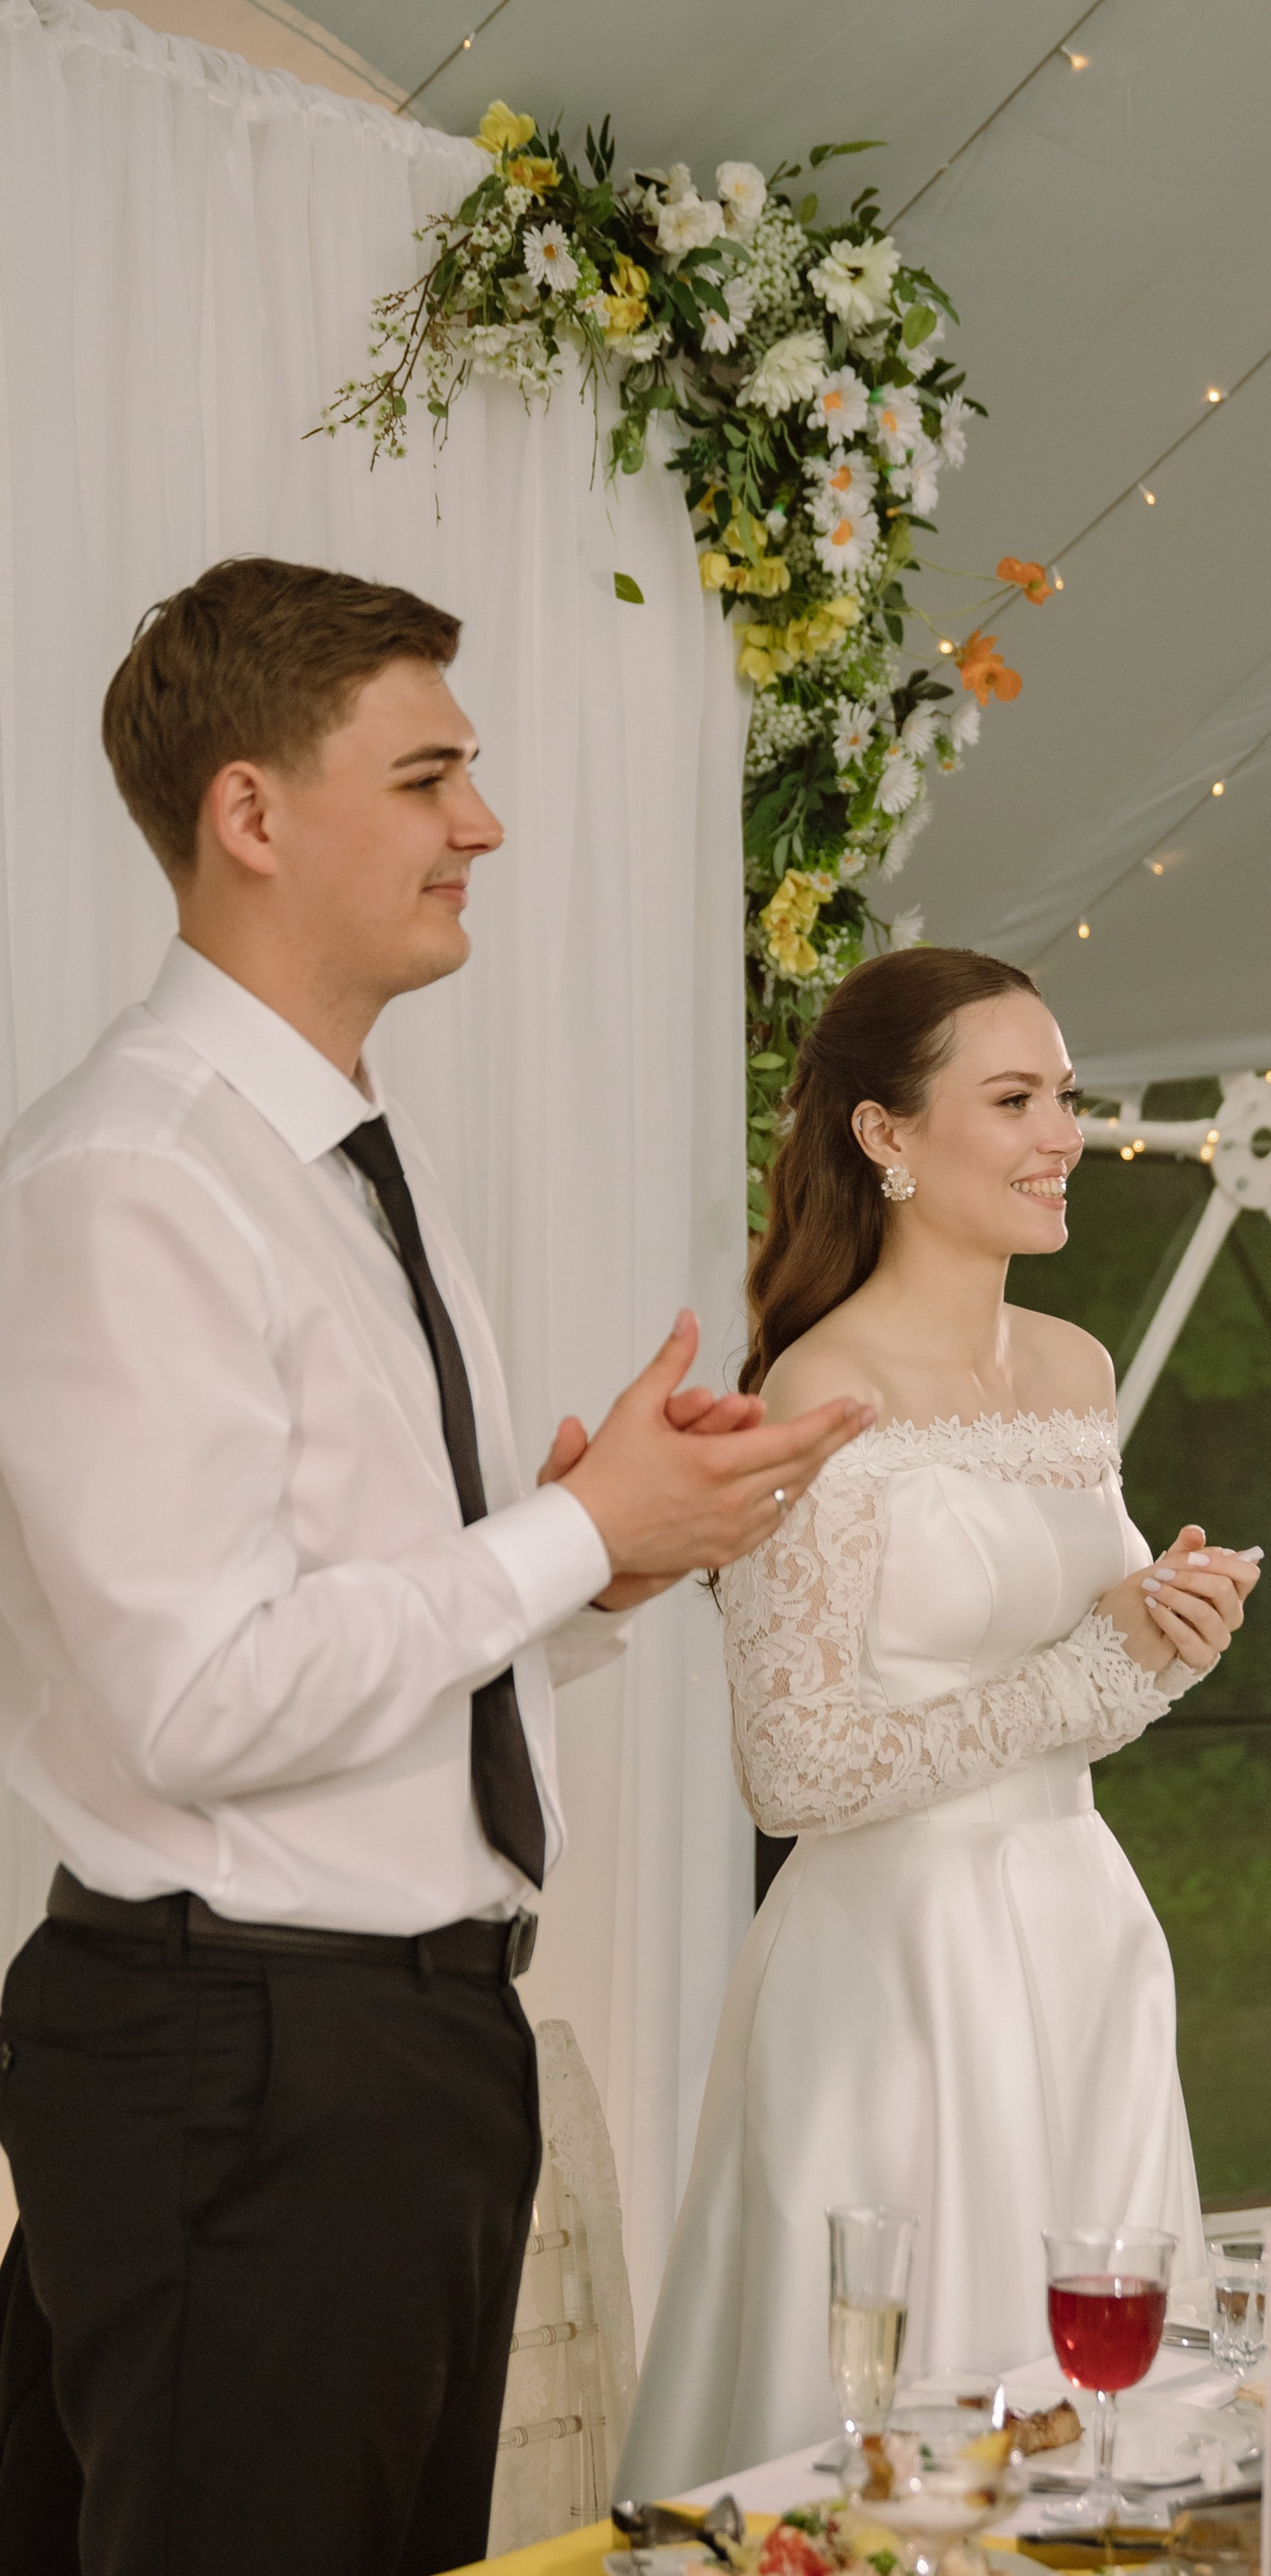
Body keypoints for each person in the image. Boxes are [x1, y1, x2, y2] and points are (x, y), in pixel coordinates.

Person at [0, 557, 870, 2576]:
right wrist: (569, 1531)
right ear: (249, 812)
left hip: (384, 2064)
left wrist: (601, 1567)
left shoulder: (333, 1158)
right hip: (253, 2066)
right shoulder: (135, 1178)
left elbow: (354, 1618)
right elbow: (199, 1699)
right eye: (427, 776)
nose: (481, 824)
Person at [618, 947, 1262, 2493]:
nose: (1063, 1137)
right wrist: (1091, 1670)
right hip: (895, 1975)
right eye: (1016, 1099)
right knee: (893, 2438)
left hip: (1082, 1938)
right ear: (886, 1134)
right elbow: (792, 1771)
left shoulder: (1075, 1368)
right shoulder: (817, 1393)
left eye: (1068, 1098)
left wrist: (1165, 1639)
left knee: (1104, 2428)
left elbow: (1081, 1700)